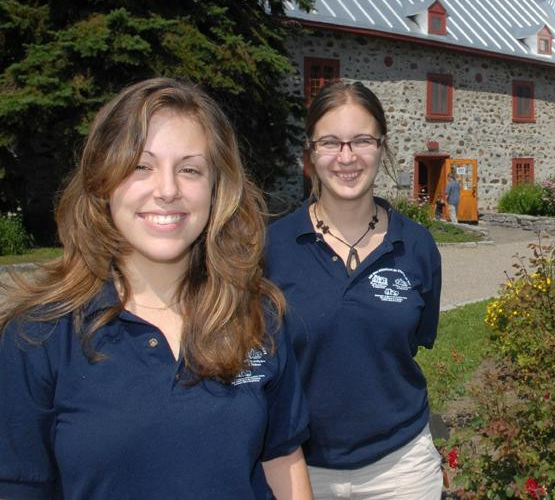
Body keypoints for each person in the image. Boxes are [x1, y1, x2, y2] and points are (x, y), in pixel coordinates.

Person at [0, 78, 313, 500]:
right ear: (102, 181)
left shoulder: (258, 315)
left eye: (189, 169)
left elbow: (282, 460)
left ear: (217, 188)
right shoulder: (37, 336)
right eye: (140, 166)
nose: (167, 190)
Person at [265, 80, 443, 499]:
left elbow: (412, 342)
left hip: (401, 467)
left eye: (362, 140)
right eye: (330, 142)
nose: (346, 157)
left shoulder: (416, 246)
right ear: (310, 154)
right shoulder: (272, 249)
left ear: (382, 148)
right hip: (299, 469)